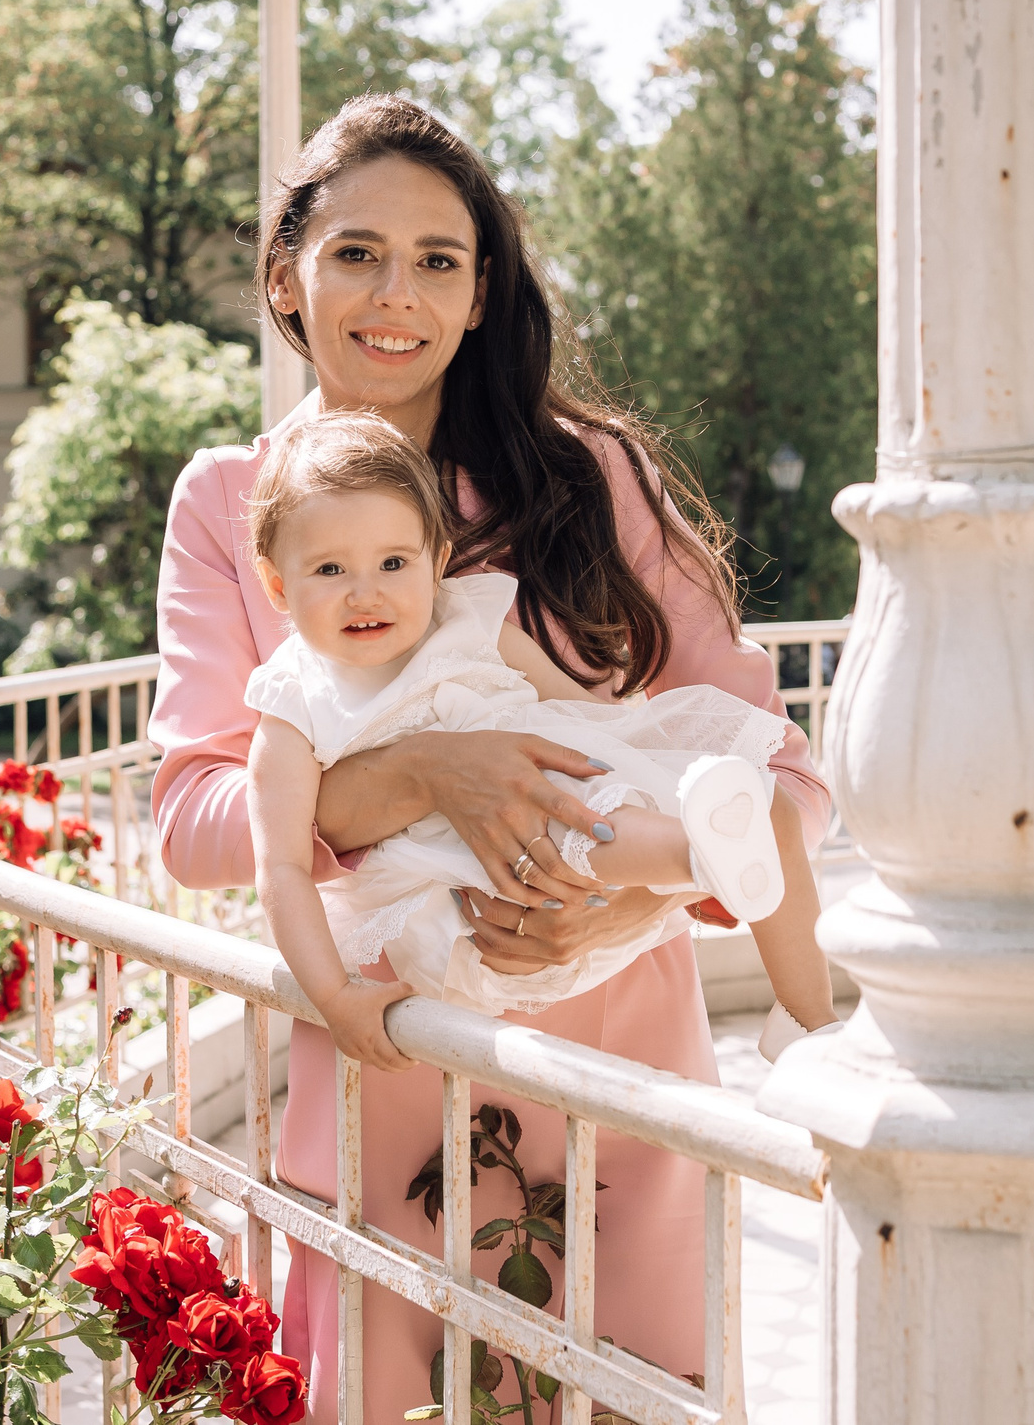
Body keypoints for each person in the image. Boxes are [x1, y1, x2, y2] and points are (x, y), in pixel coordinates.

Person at [151, 94, 833, 1422]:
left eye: (438, 259)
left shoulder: (593, 476)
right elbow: (192, 816)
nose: (393, 292)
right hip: (389, 1049)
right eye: (355, 251)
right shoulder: (233, 506)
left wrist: (643, 888)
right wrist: (421, 775)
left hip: (620, 1069)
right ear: (287, 271)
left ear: (481, 295)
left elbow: (781, 772)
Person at [242, 412, 829, 1037]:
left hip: (572, 819)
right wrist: (335, 996)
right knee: (580, 813)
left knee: (771, 811)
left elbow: (587, 717)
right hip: (478, 909)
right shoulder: (294, 703)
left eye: (392, 563)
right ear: (278, 585)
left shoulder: (470, 621)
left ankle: (809, 1025)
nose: (366, 593)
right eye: (330, 571)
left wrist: (665, 773)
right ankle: (702, 855)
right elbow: (280, 868)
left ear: (436, 560)